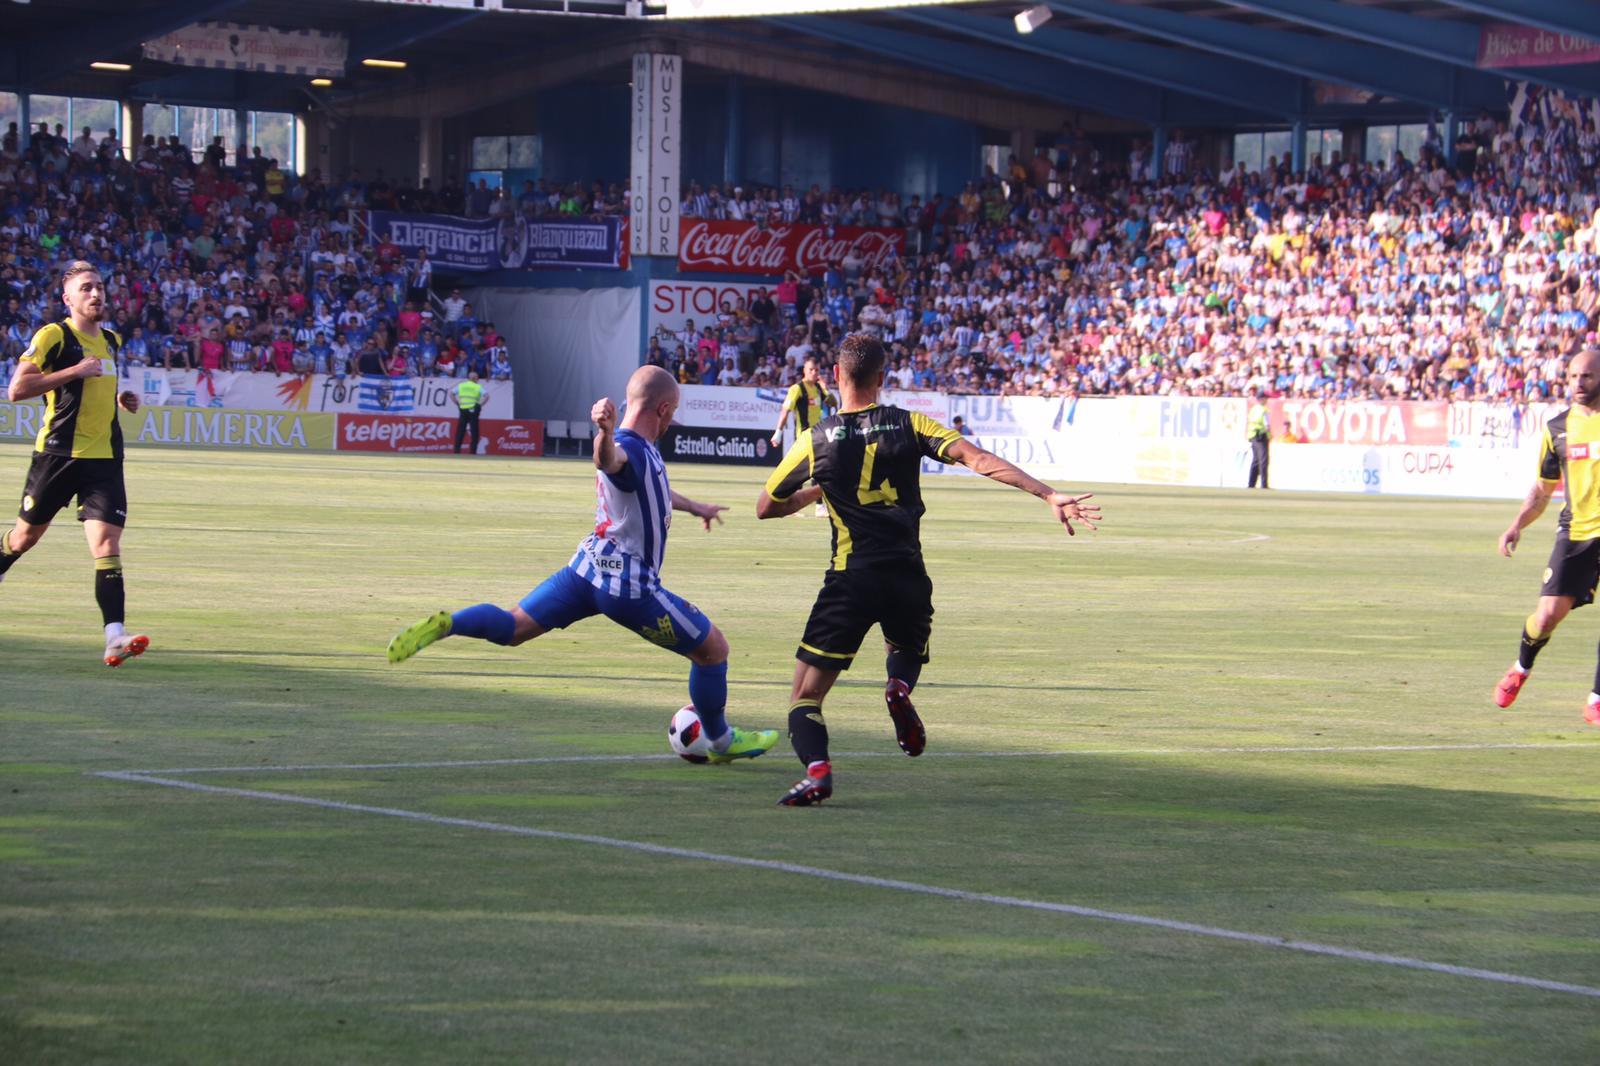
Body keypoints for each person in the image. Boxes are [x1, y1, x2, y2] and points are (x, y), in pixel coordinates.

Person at [755, 334, 1101, 806]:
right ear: (881, 379)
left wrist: (818, 491)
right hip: (907, 575)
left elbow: (765, 507)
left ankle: (817, 772)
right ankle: (898, 687)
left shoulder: (814, 440)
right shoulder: (909, 423)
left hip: (851, 578)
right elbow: (977, 460)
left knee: (805, 695)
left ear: (837, 376)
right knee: (905, 647)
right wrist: (1047, 494)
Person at [387, 366, 778, 763]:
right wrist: (604, 434)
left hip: (585, 570)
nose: (670, 424)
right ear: (662, 409)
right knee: (713, 650)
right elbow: (609, 460)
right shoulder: (629, 448)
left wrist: (694, 506)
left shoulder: (641, 449)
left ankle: (449, 624)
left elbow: (646, 484)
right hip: (628, 588)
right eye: (671, 414)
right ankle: (721, 742)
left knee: (515, 626)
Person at [0, 261, 149, 667]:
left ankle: (115, 636)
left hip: (104, 458)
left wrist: (123, 399)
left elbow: (101, 383)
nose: (96, 294)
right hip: (58, 456)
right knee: (23, 539)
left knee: (106, 546)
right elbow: (17, 390)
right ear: (69, 299)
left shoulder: (112, 340)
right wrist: (74, 371)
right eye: (86, 288)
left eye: (100, 286)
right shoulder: (53, 335)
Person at [1494, 349, 1600, 723]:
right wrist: (1516, 525)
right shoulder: (1558, 429)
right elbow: (1542, 491)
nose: (1578, 384)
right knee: (1547, 616)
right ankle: (1521, 669)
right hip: (1576, 533)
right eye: (1573, 377)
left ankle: (1596, 699)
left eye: (1586, 376)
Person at [771, 355, 836, 517]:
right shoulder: (797, 389)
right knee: (801, 472)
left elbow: (833, 403)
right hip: (803, 436)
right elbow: (785, 410)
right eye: (811, 370)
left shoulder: (819, 389)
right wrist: (778, 432)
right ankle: (791, 504)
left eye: (816, 370)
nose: (814, 373)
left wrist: (826, 387)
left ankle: (819, 506)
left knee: (820, 470)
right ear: (804, 371)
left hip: (819, 435)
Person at [454, 369, 484, 455]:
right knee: (474, 431)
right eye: (477, 378)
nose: (478, 379)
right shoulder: (478, 387)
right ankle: (473, 452)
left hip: (463, 409)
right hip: (473, 410)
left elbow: (451, 393)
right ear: (474, 378)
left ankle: (457, 451)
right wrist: (480, 405)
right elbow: (487, 396)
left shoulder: (461, 385)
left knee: (460, 431)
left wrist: (457, 403)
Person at [1247, 390, 1270, 489]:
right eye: (1265, 398)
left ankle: (1251, 484)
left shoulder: (1253, 409)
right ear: (1262, 399)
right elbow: (1267, 425)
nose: (1267, 400)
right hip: (1261, 436)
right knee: (1263, 460)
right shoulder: (1263, 410)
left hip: (1252, 436)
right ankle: (1264, 484)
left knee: (1255, 460)